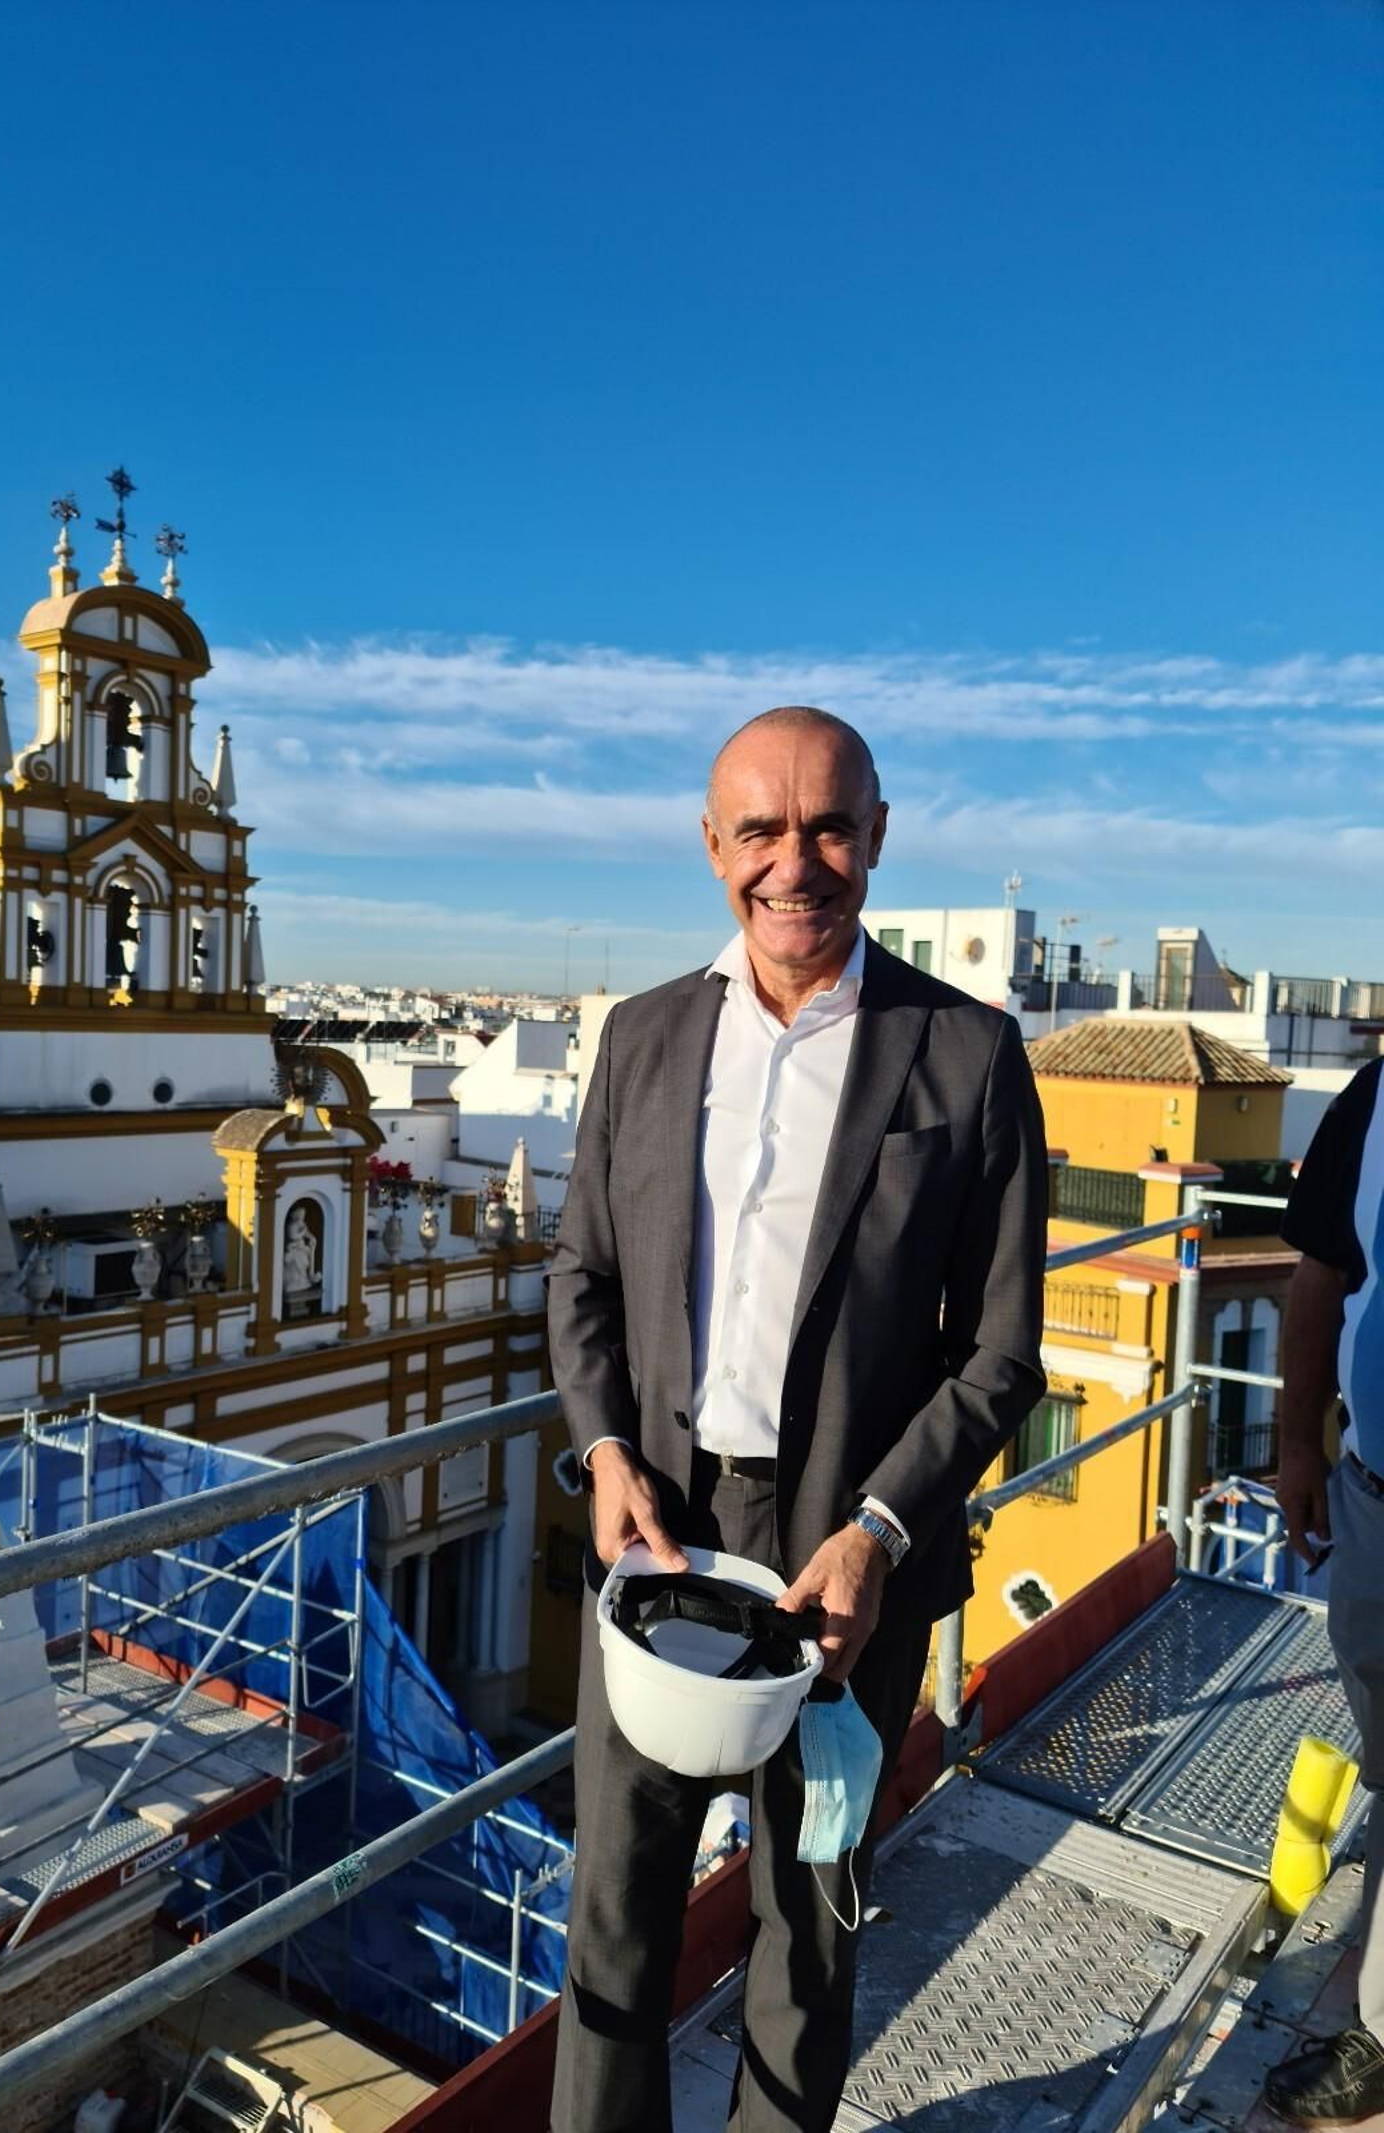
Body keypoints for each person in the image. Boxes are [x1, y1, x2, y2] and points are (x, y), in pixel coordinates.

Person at [547, 706, 1048, 2133]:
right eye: (760, 829)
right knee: (615, 1921)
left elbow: (1000, 1348)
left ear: (877, 839)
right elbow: (579, 1273)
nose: (796, 862)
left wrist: (884, 1527)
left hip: (853, 1560)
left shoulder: (966, 1055)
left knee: (810, 1923)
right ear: (714, 848)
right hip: (661, 1540)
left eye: (829, 826)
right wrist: (600, 1452)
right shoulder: (641, 1040)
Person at [1264, 1055, 1384, 2129]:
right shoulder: (1376, 1094)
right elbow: (1317, 1275)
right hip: (1372, 1497)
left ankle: (1379, 2036)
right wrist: (1295, 1444)